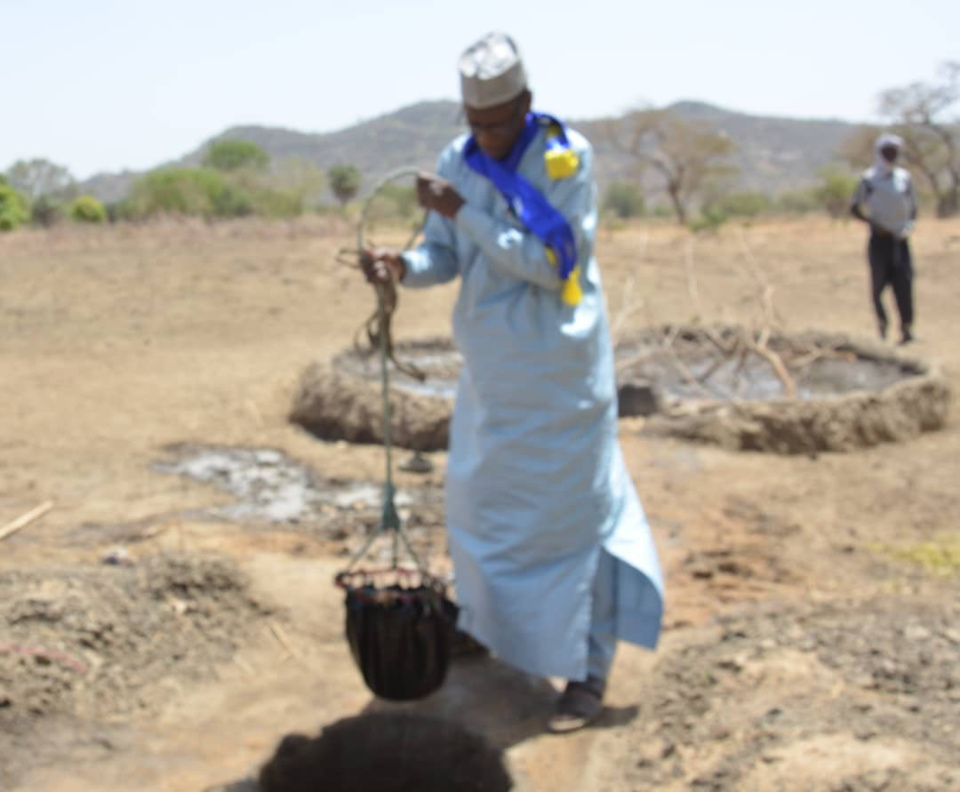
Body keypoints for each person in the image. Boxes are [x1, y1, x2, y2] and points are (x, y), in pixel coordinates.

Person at [362, 31, 663, 733]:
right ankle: (484, 629)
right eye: (476, 124)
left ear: (526, 105)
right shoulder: (455, 162)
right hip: (494, 380)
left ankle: (587, 676)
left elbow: (545, 261)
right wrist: (403, 268)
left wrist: (460, 209)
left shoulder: (566, 157)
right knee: (483, 512)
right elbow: (446, 256)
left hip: (560, 381)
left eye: (498, 124)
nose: (487, 139)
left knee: (573, 522)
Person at [850, 133, 918, 344]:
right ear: (879, 153)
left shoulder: (904, 178)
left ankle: (906, 328)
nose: (891, 155)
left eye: (894, 151)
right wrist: (873, 223)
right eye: (887, 151)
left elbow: (913, 207)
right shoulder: (869, 179)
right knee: (878, 286)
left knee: (904, 284)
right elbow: (855, 207)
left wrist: (908, 227)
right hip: (879, 240)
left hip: (900, 240)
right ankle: (882, 326)